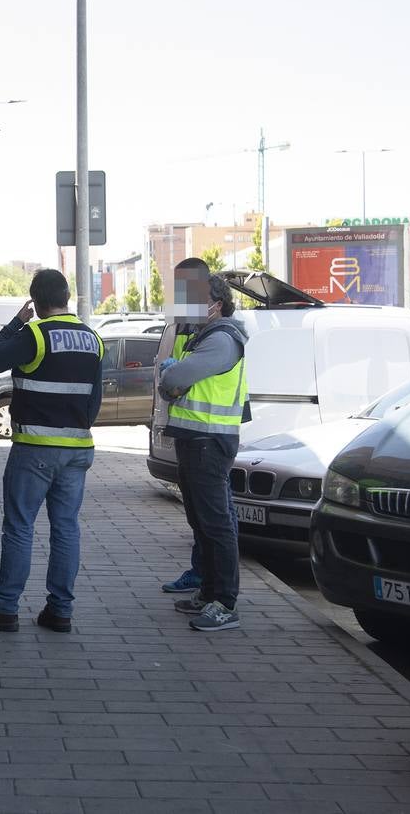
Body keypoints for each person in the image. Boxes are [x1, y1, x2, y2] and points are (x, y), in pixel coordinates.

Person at [0, 269, 103, 633]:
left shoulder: (37, 334)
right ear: (67, 297)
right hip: (77, 450)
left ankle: (5, 608)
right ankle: (60, 611)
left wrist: (15, 323)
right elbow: (94, 401)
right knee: (66, 529)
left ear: (36, 302)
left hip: (36, 449)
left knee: (20, 528)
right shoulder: (93, 339)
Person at [158, 259, 250, 632]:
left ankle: (225, 603)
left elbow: (176, 377)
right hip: (194, 439)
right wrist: (172, 377)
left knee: (216, 523)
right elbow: (175, 380)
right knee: (201, 520)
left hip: (210, 442)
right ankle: (209, 593)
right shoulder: (203, 336)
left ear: (217, 304)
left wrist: (170, 374)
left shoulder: (222, 338)